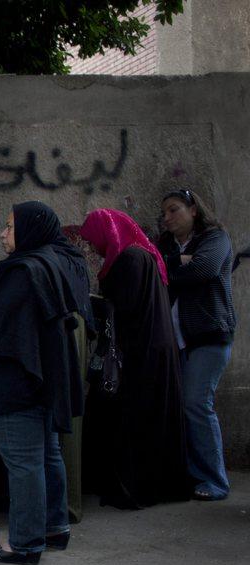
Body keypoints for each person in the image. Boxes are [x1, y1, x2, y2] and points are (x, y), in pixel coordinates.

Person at [0, 201, 87, 565]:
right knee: (46, 455)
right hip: (42, 379)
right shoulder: (52, 263)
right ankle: (53, 527)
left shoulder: (24, 272)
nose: (2, 233)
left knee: (23, 462)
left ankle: (26, 543)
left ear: (30, 230)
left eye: (9, 226)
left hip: (15, 381)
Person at [79, 208, 190, 508]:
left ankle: (133, 486)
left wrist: (95, 307)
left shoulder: (129, 259)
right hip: (150, 349)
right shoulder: (142, 254)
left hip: (140, 354)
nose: (92, 248)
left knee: (136, 419)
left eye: (93, 240)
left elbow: (125, 309)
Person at [157, 189, 237, 501]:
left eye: (174, 210)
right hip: (178, 339)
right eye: (164, 213)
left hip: (208, 335)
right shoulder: (169, 244)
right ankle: (193, 475)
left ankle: (215, 480)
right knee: (183, 406)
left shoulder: (215, 238)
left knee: (196, 403)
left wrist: (173, 265)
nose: (167, 218)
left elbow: (203, 270)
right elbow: (156, 270)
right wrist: (178, 260)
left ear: (193, 209)